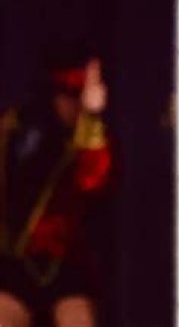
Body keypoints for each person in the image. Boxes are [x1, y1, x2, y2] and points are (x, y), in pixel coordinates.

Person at [0, 54, 112, 327]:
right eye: (66, 94)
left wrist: (92, 118)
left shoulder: (90, 136)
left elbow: (93, 181)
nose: (71, 103)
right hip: (15, 262)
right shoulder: (17, 127)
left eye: (78, 94)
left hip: (66, 266)